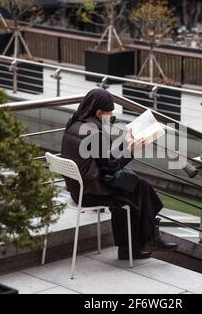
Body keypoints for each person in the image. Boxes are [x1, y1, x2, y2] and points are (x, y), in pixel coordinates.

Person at [61, 89, 177, 260]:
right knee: (136, 190)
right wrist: (131, 151)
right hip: (89, 193)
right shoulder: (94, 133)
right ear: (99, 112)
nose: (112, 116)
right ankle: (143, 239)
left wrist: (125, 144)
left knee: (136, 187)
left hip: (77, 190)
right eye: (110, 113)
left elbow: (103, 160)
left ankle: (138, 242)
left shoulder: (75, 124)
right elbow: (111, 168)